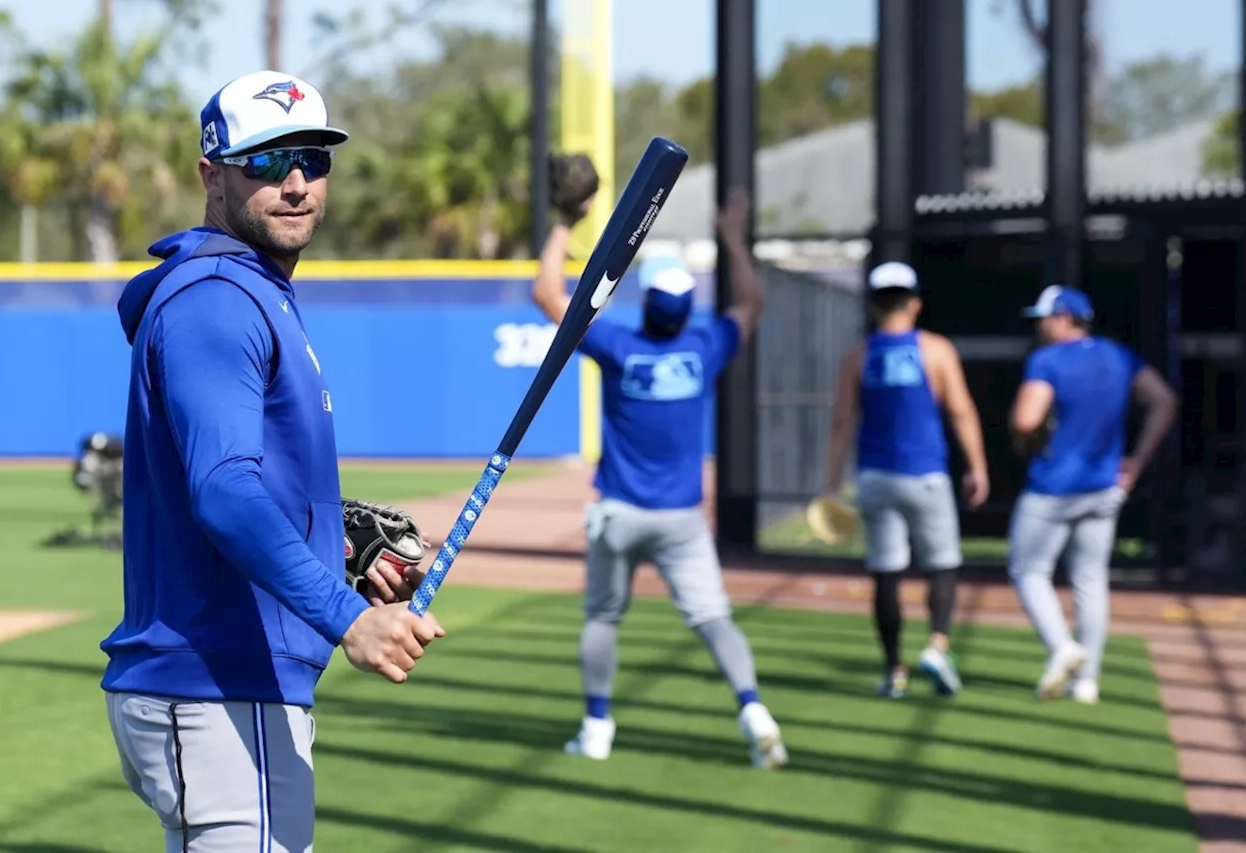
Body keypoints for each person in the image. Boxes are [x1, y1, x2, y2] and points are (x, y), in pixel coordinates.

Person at [100, 70, 445, 851]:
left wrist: (341, 548)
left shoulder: (249, 292)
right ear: (210, 174)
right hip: (219, 683)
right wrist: (349, 616)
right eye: (265, 161)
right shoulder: (219, 298)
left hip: (228, 685)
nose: (294, 183)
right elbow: (223, 492)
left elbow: (242, 485)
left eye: (311, 160)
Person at [530, 187, 787, 770]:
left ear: (645, 302)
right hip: (682, 520)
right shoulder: (704, 347)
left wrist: (565, 224)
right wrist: (734, 240)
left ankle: (596, 725)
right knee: (713, 618)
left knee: (602, 618)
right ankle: (753, 710)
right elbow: (751, 304)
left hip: (619, 513)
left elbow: (546, 293)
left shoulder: (618, 344)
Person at [822, 261, 989, 700]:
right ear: (915, 302)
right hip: (927, 475)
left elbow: (841, 422)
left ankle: (894, 671)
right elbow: (961, 411)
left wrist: (830, 484)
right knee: (943, 563)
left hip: (876, 478)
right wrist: (978, 466)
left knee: (886, 573)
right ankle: (937, 644)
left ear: (874, 304)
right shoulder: (935, 350)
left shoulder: (858, 356)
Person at [1007, 285, 1178, 705]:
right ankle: (1088, 682)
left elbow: (1026, 418)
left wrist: (1025, 433)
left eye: (1044, 318)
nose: (1040, 327)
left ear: (1063, 317)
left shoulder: (1046, 360)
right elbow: (1164, 401)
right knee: (1090, 579)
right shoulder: (1118, 355)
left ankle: (1062, 647)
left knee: (1028, 571)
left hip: (1053, 486)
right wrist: (1136, 461)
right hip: (1105, 487)